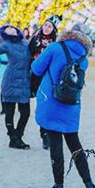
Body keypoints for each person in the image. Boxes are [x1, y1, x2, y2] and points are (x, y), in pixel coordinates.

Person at [32, 27, 95, 188]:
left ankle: (59, 185)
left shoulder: (55, 47)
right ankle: (89, 184)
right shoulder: (84, 57)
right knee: (74, 143)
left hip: (52, 101)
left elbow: (36, 68)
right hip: (71, 103)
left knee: (55, 143)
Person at [28, 16, 61, 150]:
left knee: (51, 105)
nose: (46, 28)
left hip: (50, 78)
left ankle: (52, 132)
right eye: (45, 25)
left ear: (53, 29)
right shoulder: (35, 40)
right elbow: (28, 56)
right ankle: (44, 135)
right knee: (41, 105)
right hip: (37, 78)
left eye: (50, 26)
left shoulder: (56, 43)